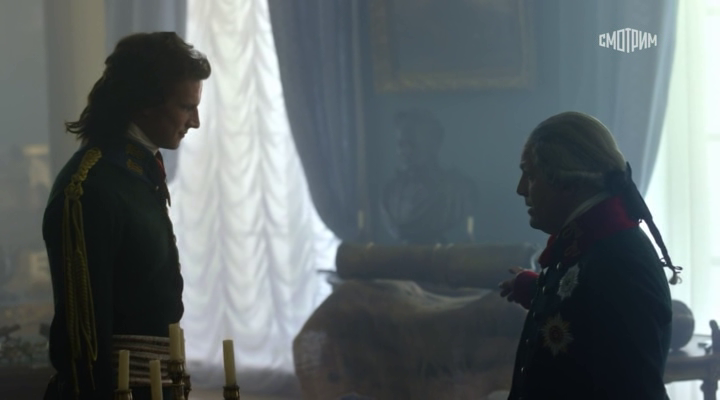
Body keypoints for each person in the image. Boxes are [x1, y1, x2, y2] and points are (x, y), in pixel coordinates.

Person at [42, 32, 211, 399]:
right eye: (186, 107)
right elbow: (84, 339)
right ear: (145, 103)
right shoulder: (91, 187)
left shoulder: (135, 173)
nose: (195, 121)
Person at [499, 111, 678, 399]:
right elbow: (586, 309)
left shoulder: (621, 264)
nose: (521, 189)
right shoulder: (594, 245)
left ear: (568, 182)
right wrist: (536, 288)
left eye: (530, 175)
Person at [380, 109, 478, 244]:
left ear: (435, 143)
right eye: (401, 144)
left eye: (412, 144)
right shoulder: (389, 192)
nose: (405, 151)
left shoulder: (459, 191)